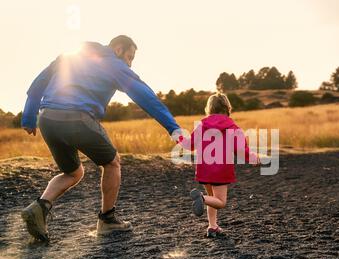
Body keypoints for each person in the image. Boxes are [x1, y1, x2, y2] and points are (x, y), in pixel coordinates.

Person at [20, 35, 180, 241]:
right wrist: (173, 127)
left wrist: (29, 115)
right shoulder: (113, 63)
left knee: (73, 172)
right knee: (112, 162)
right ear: (118, 48)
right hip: (77, 117)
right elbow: (144, 95)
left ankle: (39, 207)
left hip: (47, 119)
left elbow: (38, 84)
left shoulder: (69, 56)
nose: (129, 64)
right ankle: (107, 220)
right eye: (129, 57)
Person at [177, 93, 259, 238]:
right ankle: (201, 198)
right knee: (220, 201)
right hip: (220, 171)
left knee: (212, 198)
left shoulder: (202, 125)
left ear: (209, 108)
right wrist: (252, 157)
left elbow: (190, 145)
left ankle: (212, 226)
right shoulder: (233, 127)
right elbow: (240, 150)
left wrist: (179, 138)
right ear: (227, 107)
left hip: (204, 169)